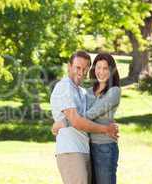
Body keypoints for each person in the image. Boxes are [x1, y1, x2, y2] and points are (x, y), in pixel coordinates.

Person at [50, 51, 119, 184]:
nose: (81, 72)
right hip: (71, 151)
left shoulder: (82, 91)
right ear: (69, 67)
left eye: (85, 68)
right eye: (77, 67)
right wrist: (105, 129)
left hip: (85, 150)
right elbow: (77, 121)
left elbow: (87, 115)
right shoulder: (64, 87)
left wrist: (63, 122)